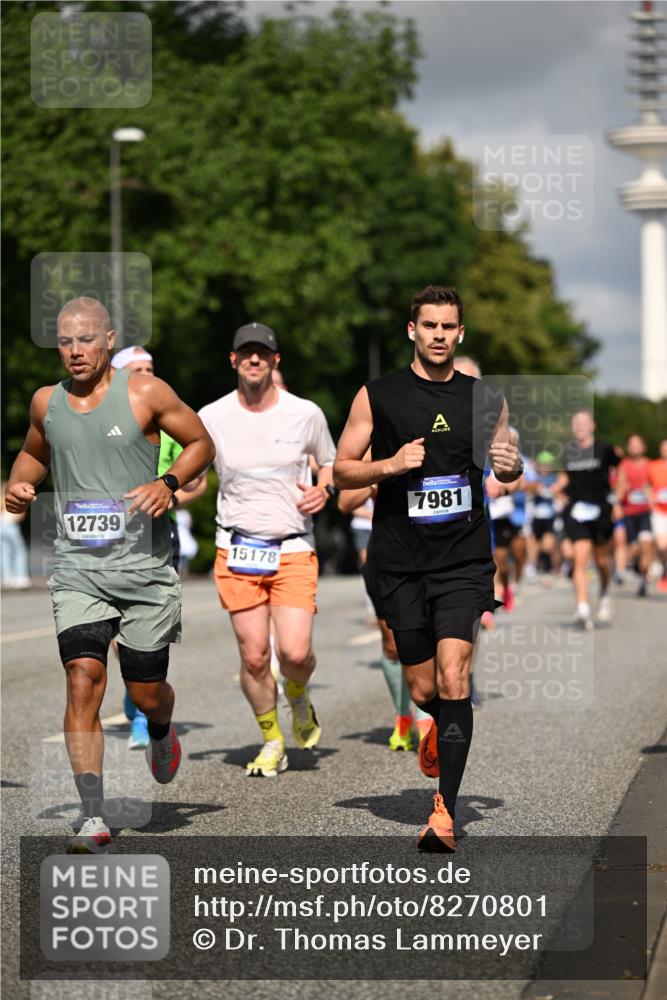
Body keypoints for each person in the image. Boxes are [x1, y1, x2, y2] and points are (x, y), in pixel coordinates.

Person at [4, 297, 214, 853]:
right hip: (79, 569)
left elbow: (201, 444)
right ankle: (93, 816)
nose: (75, 351)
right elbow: (32, 456)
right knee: (82, 679)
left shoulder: (145, 392)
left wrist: (167, 483)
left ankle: (162, 730)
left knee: (146, 694)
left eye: (86, 340)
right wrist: (19, 487)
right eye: (66, 341)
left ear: (109, 340)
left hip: (144, 569)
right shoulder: (46, 402)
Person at [334, 285, 522, 852]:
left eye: (449, 327)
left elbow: (505, 465)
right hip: (400, 562)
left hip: (464, 559)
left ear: (460, 333)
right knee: (422, 688)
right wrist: (390, 464)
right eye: (430, 326)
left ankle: (444, 812)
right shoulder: (378, 396)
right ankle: (441, 723)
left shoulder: (485, 398)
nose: (439, 335)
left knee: (455, 676)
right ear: (411, 330)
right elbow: (342, 472)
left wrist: (508, 468)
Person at [198, 322, 336, 778]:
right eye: (246, 353)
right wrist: (173, 488)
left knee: (294, 654)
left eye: (263, 353)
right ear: (233, 360)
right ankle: (272, 739)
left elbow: (332, 462)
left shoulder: (305, 413)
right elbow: (191, 469)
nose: (254, 359)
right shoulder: (211, 416)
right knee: (255, 655)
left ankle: (297, 692)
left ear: (275, 361)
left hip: (293, 546)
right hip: (235, 548)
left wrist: (324, 488)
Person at [110, 346, 207, 749]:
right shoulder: (101, 421)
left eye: (151, 368)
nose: (147, 375)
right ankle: (137, 701)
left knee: (146, 631)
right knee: (114, 634)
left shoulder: (169, 419)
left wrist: (168, 496)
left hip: (158, 534)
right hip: (107, 536)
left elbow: (198, 478)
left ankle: (143, 710)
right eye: (137, 370)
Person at [555, 409, 621, 629]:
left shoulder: (605, 448)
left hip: (601, 510)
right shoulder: (569, 451)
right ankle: (583, 608)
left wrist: (618, 499)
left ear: (592, 425)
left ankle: (603, 592)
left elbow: (621, 472)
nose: (580, 426)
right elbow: (565, 475)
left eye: (584, 422)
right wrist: (558, 485)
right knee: (579, 558)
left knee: (601, 561)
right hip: (577, 511)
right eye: (576, 423)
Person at [616, 435, 654, 597]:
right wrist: (617, 503)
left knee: (646, 545)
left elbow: (655, 485)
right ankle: (636, 568)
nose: (634, 448)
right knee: (634, 549)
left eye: (637, 445)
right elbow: (619, 486)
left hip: (645, 512)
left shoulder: (649, 464)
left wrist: (651, 496)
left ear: (643, 447)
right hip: (630, 513)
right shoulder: (623, 465)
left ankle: (643, 579)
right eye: (631, 445)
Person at [648, 439, 667, 592]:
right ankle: (662, 564)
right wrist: (650, 498)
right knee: (661, 545)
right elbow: (646, 485)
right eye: (663, 448)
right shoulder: (653, 466)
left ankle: (664, 573)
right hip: (659, 511)